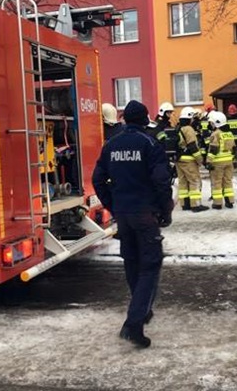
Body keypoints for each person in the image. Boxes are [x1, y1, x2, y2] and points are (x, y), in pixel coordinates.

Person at [92, 100, 174, 349]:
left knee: (132, 262)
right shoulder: (150, 144)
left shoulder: (111, 145)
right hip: (145, 214)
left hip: (124, 215)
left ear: (125, 120)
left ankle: (142, 309)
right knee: (150, 265)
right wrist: (166, 211)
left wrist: (113, 205)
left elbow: (98, 179)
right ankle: (134, 323)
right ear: (144, 120)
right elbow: (161, 182)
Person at [176, 107, 209, 212]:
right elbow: (192, 146)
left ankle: (185, 204)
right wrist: (200, 160)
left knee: (183, 182)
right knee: (194, 181)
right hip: (189, 160)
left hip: (179, 159)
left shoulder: (178, 128)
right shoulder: (189, 129)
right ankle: (196, 205)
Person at [206, 111, 236, 209]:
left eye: (212, 123)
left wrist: (209, 161)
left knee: (217, 182)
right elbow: (234, 148)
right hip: (229, 162)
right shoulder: (230, 134)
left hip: (218, 163)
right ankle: (229, 202)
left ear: (216, 123)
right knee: (228, 181)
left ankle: (218, 203)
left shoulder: (216, 134)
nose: (211, 125)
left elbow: (213, 149)